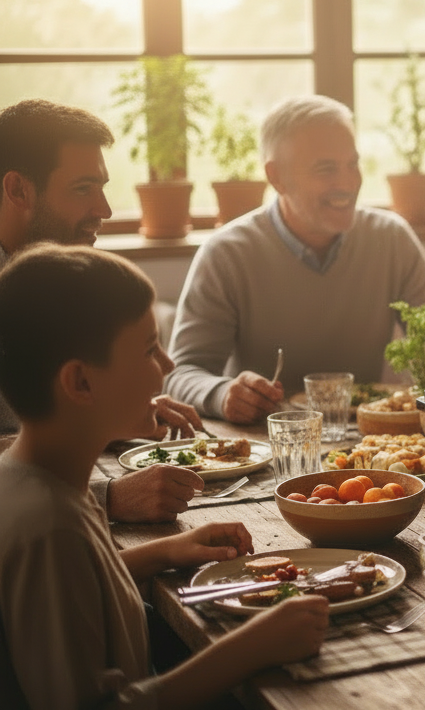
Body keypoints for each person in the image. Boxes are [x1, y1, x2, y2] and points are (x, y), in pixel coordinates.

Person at [0, 244, 328, 709]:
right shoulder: (51, 528)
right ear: (81, 383)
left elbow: (77, 592)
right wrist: (249, 648)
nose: (169, 366)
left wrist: (164, 552)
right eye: (150, 348)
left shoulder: (36, 476)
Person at [165, 94, 425, 423]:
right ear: (277, 177)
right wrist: (223, 394)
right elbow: (181, 373)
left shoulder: (392, 238)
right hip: (267, 442)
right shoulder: (227, 253)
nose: (349, 183)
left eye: (352, 164)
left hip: (367, 442)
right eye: (326, 169)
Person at [0, 98, 206, 523]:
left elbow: (37, 419)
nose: (104, 211)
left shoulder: (48, 275)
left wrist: (110, 405)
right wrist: (106, 495)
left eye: (103, 187)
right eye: (82, 189)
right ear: (18, 189)